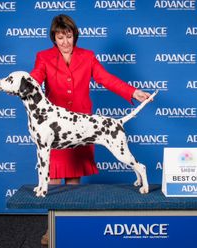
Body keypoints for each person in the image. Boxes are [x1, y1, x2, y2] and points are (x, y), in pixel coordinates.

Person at [29, 14, 151, 246]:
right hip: (55, 127)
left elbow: (105, 78)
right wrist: (25, 84)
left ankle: (69, 228)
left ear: (75, 35)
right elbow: (36, 78)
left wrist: (133, 92)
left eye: (68, 36)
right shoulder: (43, 57)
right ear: (53, 37)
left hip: (82, 126)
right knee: (53, 179)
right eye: (59, 36)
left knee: (73, 181)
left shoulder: (87, 56)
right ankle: (51, 229)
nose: (65, 41)